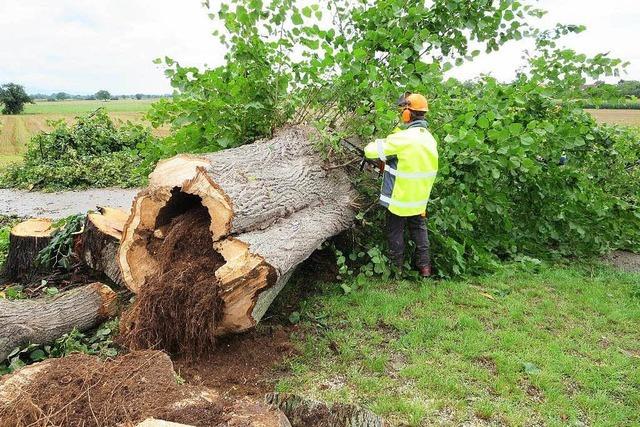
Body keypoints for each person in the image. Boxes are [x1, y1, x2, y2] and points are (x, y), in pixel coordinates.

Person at [363, 93, 439, 277]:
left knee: (394, 232)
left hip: (400, 198)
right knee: (419, 231)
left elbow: (370, 151)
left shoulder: (403, 138)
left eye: (402, 111)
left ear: (407, 114)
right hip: (419, 199)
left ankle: (396, 268)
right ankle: (425, 268)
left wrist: (383, 141)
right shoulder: (429, 138)